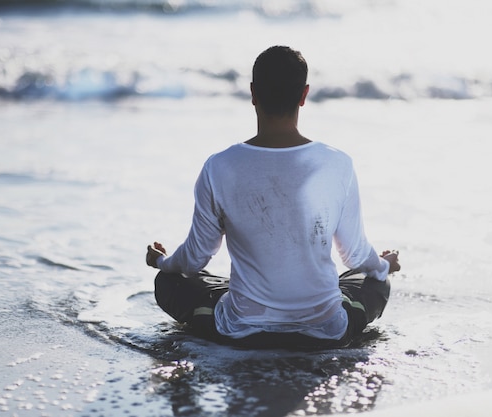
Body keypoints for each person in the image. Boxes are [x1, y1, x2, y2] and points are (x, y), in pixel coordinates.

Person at [146, 45, 400, 348]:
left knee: (169, 281)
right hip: (326, 328)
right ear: (304, 95)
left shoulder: (220, 166)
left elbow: (195, 258)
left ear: (253, 93)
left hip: (242, 328)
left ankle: (246, 301)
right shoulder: (338, 164)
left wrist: (162, 261)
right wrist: (385, 265)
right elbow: (355, 255)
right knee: (375, 280)